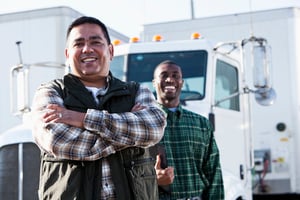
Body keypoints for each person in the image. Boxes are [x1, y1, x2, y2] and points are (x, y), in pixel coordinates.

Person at [31, 16, 166, 200]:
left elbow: (154, 127)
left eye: (95, 42)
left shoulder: (136, 91)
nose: (87, 49)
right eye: (78, 44)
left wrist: (81, 119)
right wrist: (129, 133)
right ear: (68, 54)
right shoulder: (50, 92)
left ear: (110, 50)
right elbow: (58, 140)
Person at [152, 60, 224, 200]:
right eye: (164, 75)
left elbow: (213, 171)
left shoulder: (201, 124)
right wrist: (153, 178)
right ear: (154, 82)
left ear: (182, 83)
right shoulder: (143, 123)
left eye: (175, 75)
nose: (169, 79)